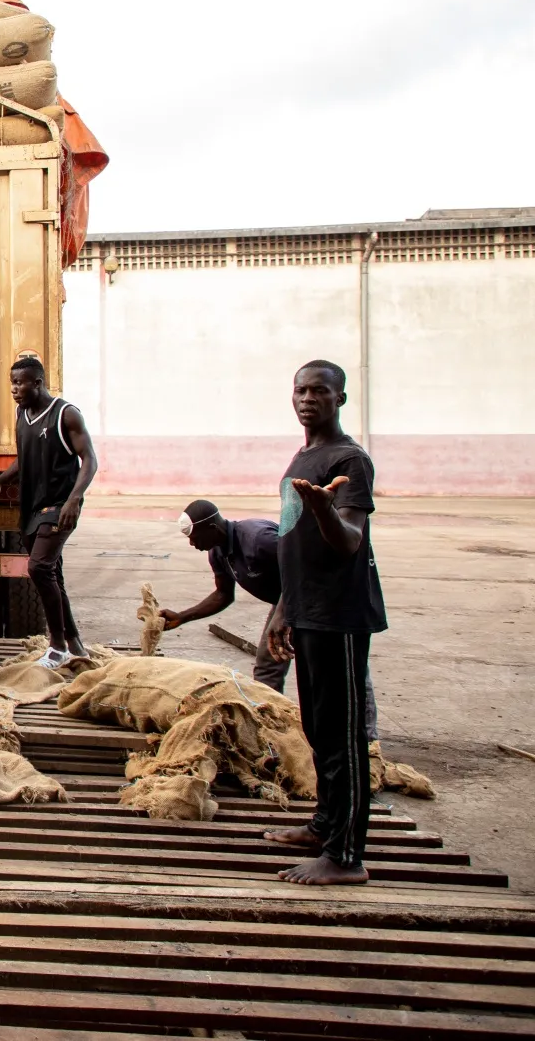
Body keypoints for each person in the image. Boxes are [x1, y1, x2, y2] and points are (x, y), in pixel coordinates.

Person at [261, 360, 385, 887]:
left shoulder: (350, 460)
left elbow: (349, 541)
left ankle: (345, 855)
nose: (308, 398)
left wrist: (323, 510)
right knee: (315, 726)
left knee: (342, 733)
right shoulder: (305, 456)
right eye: (301, 389)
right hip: (308, 608)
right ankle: (324, 826)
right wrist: (284, 608)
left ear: (341, 399)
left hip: (340, 613)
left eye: (320, 391)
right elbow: (293, 544)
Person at [163, 499, 379, 740]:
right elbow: (223, 595)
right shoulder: (218, 551)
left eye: (194, 537)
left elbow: (305, 567)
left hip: (323, 598)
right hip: (288, 602)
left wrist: (282, 615)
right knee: (267, 666)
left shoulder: (259, 540)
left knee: (343, 669)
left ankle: (366, 738)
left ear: (213, 528)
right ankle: (270, 732)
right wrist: (182, 617)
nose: (193, 544)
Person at [0, 356, 97, 666]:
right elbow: (25, 458)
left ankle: (56, 645)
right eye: (12, 383)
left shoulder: (66, 414)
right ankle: (74, 644)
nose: (14, 389)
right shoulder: (22, 414)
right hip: (32, 506)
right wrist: (0, 480)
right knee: (53, 575)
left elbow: (89, 459)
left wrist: (75, 499)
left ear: (38, 383)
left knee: (38, 568)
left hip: (59, 506)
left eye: (20, 383)